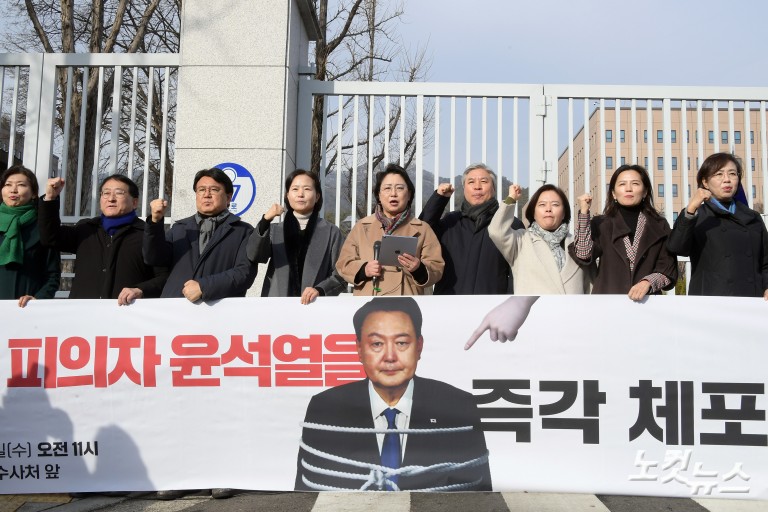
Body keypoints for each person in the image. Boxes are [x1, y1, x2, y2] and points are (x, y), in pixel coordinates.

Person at [295, 297, 491, 491]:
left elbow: (478, 493)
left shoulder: (457, 406)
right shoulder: (326, 408)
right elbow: (306, 494)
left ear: (419, 347)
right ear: (359, 349)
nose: (390, 357)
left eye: (402, 343)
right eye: (377, 344)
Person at [38, 174, 167, 304]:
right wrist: (50, 199)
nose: (111, 199)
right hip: (82, 314)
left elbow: (164, 277)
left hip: (127, 315)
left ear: (134, 202)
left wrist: (140, 290)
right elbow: (50, 237)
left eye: (119, 193)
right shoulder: (87, 229)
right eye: (105, 193)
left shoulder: (146, 234)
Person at [144, 167, 256, 302]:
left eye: (214, 190)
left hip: (218, 311)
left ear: (228, 197)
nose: (206, 194)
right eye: (201, 190)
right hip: (174, 310)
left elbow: (244, 274)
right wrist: (155, 223)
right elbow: (154, 259)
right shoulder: (179, 229)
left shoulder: (243, 231)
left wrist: (204, 287)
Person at [570, 164, 677, 301]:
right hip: (608, 302)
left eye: (635, 183)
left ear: (645, 192)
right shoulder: (601, 224)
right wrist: (584, 213)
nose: (628, 188)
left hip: (648, 303)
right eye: (622, 184)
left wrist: (648, 282)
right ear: (614, 193)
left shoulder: (659, 225)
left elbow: (668, 270)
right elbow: (583, 253)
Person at [667, 153, 768, 298]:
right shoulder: (698, 215)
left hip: (750, 301)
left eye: (732, 174)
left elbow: (765, 262)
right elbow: (676, 248)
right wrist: (691, 209)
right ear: (705, 182)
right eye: (719, 174)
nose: (727, 179)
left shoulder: (753, 217)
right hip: (711, 302)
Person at [336, 164, 444, 296]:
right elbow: (343, 264)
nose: (393, 193)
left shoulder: (423, 229)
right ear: (379, 195)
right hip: (370, 302)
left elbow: (437, 267)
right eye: (387, 188)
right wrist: (364, 269)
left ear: (409, 194)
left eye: (400, 188)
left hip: (407, 303)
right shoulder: (362, 227)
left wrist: (418, 269)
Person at [419, 163, 524, 294]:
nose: (477, 187)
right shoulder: (451, 222)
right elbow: (422, 231)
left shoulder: (512, 225)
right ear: (464, 189)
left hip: (492, 308)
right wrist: (439, 199)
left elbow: (519, 274)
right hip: (449, 306)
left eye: (484, 181)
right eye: (471, 182)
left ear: (494, 188)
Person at [247, 169, 346, 303]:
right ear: (287, 195)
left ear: (317, 196)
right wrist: (265, 221)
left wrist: (321, 289)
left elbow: (342, 273)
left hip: (316, 305)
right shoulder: (275, 230)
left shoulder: (331, 232)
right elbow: (255, 255)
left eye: (307, 189)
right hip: (277, 306)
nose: (300, 194)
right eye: (295, 189)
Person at [488, 183, 590, 295]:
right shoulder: (521, 240)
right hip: (534, 311)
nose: (548, 209)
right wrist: (511, 198)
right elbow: (496, 231)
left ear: (564, 213)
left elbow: (589, 284)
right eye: (542, 205)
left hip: (572, 311)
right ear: (533, 212)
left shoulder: (578, 243)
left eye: (555, 205)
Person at [0, 165, 60, 307]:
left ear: (33, 193)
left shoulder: (42, 227)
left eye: (21, 185)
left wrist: (38, 299)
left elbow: (53, 275)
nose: (13, 190)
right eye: (8, 185)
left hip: (26, 311)